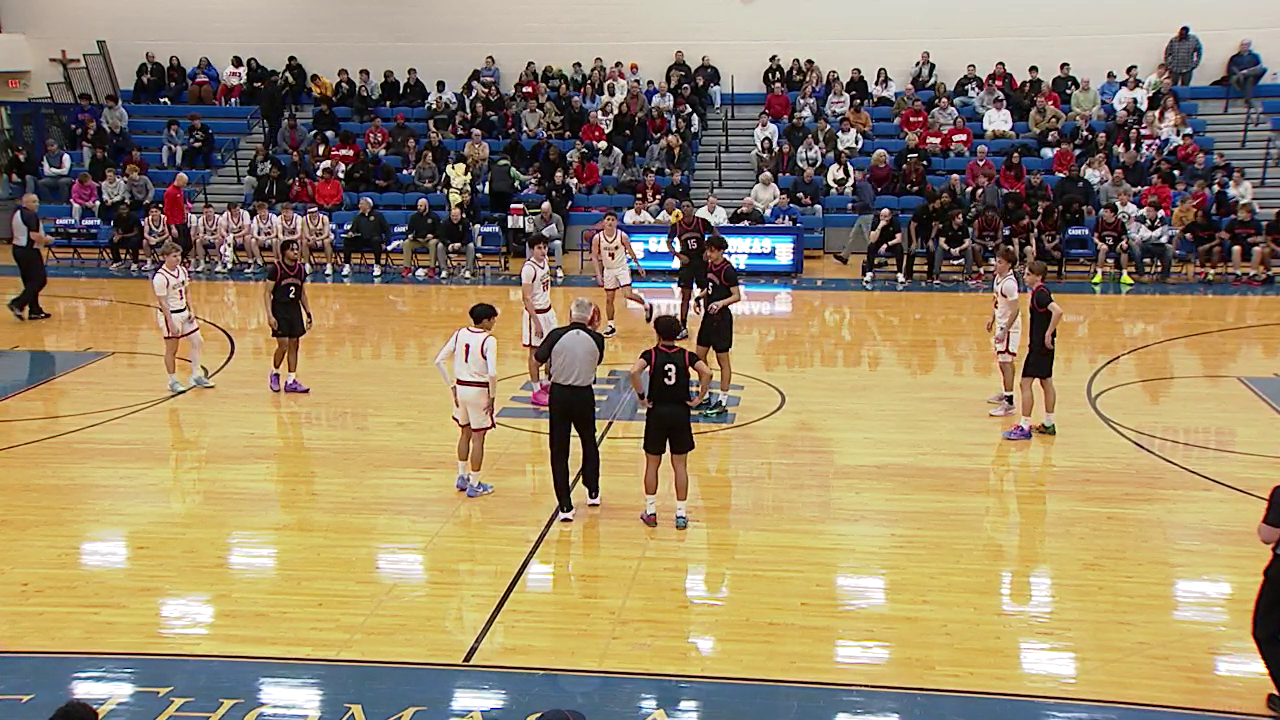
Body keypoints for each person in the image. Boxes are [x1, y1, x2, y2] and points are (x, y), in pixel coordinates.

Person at [630, 314, 713, 529]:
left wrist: (641, 396)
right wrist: (700, 396)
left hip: (657, 412)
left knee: (652, 464)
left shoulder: (651, 355)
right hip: (680, 413)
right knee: (680, 466)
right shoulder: (687, 356)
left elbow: (634, 371)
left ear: (656, 333)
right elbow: (707, 372)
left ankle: (650, 511)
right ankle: (681, 514)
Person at [534, 297, 605, 522]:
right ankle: (592, 490)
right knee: (589, 441)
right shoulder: (598, 339)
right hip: (584, 394)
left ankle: (565, 505)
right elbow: (596, 360)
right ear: (591, 316)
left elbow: (536, 360)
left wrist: (540, 384)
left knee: (559, 448)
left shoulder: (555, 335)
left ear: (570, 314)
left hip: (560, 395)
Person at [435, 303, 500, 498]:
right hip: (478, 390)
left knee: (465, 433)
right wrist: (493, 396)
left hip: (461, 389)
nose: (494, 323)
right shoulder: (489, 340)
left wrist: (451, 386)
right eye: (493, 319)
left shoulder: (459, 333)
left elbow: (438, 360)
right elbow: (493, 373)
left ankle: (462, 476)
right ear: (486, 320)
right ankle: (475, 483)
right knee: (479, 438)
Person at [1002, 260, 1063, 440]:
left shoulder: (1040, 294)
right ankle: (1049, 423)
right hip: (1045, 347)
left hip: (1039, 347)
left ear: (1038, 276)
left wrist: (1048, 333)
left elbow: (1058, 311)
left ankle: (1024, 426)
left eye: (1028, 274)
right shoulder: (1041, 292)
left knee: (1025, 383)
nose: (1025, 277)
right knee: (1046, 382)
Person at [152, 241, 215, 394]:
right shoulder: (160, 277)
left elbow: (187, 292)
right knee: (172, 350)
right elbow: (163, 303)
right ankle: (172, 381)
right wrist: (170, 323)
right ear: (165, 257)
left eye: (179, 255)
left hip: (184, 312)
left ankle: (196, 375)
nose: (177, 258)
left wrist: (192, 310)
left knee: (198, 341)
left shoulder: (182, 271)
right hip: (171, 315)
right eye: (174, 256)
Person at [692, 235, 740, 418]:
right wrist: (699, 297)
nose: (708, 254)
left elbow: (737, 296)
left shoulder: (728, 270)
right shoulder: (710, 265)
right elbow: (710, 288)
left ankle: (723, 399)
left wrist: (720, 303)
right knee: (699, 356)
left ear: (720, 251)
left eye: (712, 250)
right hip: (708, 317)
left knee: (723, 361)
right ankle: (704, 393)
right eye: (707, 250)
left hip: (721, 320)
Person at [592, 211, 653, 338]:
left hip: (622, 268)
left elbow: (631, 252)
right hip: (608, 270)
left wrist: (639, 266)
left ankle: (646, 305)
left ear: (616, 222)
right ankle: (610, 325)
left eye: (613, 220)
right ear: (603, 222)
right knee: (609, 299)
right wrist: (598, 274)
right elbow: (594, 256)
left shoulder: (622, 236)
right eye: (608, 219)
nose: (610, 222)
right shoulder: (597, 238)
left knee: (627, 295)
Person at [264, 239, 313, 394]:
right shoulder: (276, 269)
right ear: (285, 252)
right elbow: (266, 293)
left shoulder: (300, 269)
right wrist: (270, 316)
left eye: (297, 250)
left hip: (294, 309)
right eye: (293, 250)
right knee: (283, 345)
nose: (296, 252)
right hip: (279, 308)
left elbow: (302, 293)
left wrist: (308, 313)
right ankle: (275, 372)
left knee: (294, 345)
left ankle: (291, 380)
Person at [667, 201, 715, 339]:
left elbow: (716, 234)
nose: (686, 208)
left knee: (706, 293)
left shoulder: (702, 222)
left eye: (688, 206)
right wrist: (678, 255)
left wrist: (708, 251)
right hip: (687, 263)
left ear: (693, 209)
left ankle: (708, 324)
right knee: (685, 296)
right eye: (683, 207)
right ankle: (683, 326)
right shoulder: (676, 226)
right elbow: (668, 242)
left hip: (701, 262)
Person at [521, 235, 559, 407]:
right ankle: (536, 390)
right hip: (535, 314)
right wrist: (536, 321)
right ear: (531, 249)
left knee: (551, 350)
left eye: (544, 247)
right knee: (535, 354)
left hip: (548, 311)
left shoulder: (545, 262)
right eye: (539, 248)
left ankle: (546, 382)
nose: (543, 251)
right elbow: (526, 298)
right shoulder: (528, 269)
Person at [986, 247, 1020, 418]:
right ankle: (1007, 392)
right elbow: (997, 301)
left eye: (1000, 262)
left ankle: (1009, 403)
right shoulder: (998, 278)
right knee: (1004, 362)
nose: (996, 265)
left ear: (1009, 265)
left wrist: (1005, 330)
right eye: (996, 261)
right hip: (1001, 323)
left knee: (1005, 363)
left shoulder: (1009, 284)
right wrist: (992, 318)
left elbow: (1015, 310)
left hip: (1009, 328)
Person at [7, 194, 50, 321]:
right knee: (39, 280)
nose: (37, 204)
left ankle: (35, 310)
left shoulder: (18, 213)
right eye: (34, 201)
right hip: (29, 251)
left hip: (18, 249)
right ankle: (18, 303)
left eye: (37, 201)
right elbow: (34, 236)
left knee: (30, 282)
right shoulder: (31, 216)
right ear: (25, 203)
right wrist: (48, 240)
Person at [343, 196, 389, 277]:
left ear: (368, 205)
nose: (359, 206)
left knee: (376, 240)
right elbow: (353, 229)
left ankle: (377, 265)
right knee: (347, 241)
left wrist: (385, 242)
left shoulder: (378, 215)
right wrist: (350, 233)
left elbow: (387, 230)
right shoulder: (358, 216)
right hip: (361, 240)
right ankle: (347, 265)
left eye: (361, 204)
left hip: (374, 240)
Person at [862, 207, 906, 286]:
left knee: (899, 247)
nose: (883, 218)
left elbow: (899, 239)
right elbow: (872, 239)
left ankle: (900, 273)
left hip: (891, 244)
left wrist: (887, 244)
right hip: (878, 243)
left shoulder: (895, 222)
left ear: (890, 216)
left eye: (885, 216)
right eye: (881, 216)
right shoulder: (876, 222)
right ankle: (869, 272)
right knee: (871, 246)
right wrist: (879, 227)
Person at [1092, 202, 1133, 285]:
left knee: (1124, 248)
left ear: (1113, 213)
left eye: (1106, 212)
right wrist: (1099, 243)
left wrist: (1124, 243)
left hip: (1116, 245)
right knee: (1103, 248)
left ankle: (1125, 275)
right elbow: (1094, 237)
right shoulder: (1099, 222)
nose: (1103, 213)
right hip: (1104, 245)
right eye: (1104, 211)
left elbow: (1124, 238)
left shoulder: (1120, 223)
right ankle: (1099, 274)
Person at [217, 201, 251, 273]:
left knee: (247, 238)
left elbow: (247, 230)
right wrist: (226, 236)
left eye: (238, 210)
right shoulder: (225, 215)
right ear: (230, 211)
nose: (237, 212)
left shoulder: (245, 213)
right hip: (231, 236)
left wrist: (234, 236)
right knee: (220, 240)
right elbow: (222, 229)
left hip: (242, 236)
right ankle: (222, 263)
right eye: (234, 211)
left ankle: (250, 261)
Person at [163, 172, 192, 259]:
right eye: (184, 182)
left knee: (188, 245)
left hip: (182, 221)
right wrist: (172, 227)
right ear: (178, 180)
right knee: (179, 246)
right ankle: (178, 263)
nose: (185, 185)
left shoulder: (180, 190)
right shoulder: (170, 192)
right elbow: (167, 210)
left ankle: (181, 261)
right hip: (175, 223)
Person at [108, 201, 143, 272]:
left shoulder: (134, 217)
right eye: (121, 209)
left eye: (125, 209)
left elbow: (136, 232)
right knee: (112, 240)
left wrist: (122, 236)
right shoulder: (116, 216)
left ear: (128, 209)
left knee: (134, 242)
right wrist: (116, 235)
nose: (123, 211)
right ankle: (118, 261)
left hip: (135, 235)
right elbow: (114, 228)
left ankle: (135, 262)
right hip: (122, 235)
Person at [303, 205, 336, 276]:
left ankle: (329, 265)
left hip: (325, 238)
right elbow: (306, 233)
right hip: (314, 239)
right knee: (304, 241)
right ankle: (307, 265)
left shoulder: (324, 218)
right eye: (311, 213)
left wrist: (316, 239)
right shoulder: (305, 219)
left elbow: (326, 234)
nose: (313, 214)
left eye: (315, 212)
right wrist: (310, 239)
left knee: (326, 241)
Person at [249, 201, 280, 273]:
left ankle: (276, 260)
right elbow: (254, 233)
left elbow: (275, 233)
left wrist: (267, 238)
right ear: (257, 212)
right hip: (263, 239)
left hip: (271, 238)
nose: (262, 214)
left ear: (267, 210)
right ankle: (259, 262)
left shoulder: (273, 217)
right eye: (260, 212)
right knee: (253, 241)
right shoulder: (256, 218)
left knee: (275, 240)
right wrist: (259, 238)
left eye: (264, 211)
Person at [191, 202, 221, 273]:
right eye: (206, 212)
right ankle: (202, 263)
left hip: (217, 239)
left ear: (214, 211)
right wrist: (202, 236)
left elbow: (219, 234)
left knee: (218, 240)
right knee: (198, 241)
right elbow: (201, 233)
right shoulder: (201, 219)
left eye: (210, 212)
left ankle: (219, 263)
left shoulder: (219, 219)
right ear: (203, 213)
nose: (208, 214)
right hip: (207, 239)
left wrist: (210, 237)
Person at [142, 203, 171, 271]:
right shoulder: (147, 220)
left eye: (156, 211)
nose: (154, 213)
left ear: (160, 212)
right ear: (149, 213)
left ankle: (166, 262)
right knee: (144, 241)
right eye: (152, 212)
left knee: (169, 240)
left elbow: (167, 234)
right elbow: (145, 234)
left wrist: (158, 240)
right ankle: (149, 262)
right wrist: (150, 239)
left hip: (163, 238)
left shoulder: (164, 218)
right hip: (153, 238)